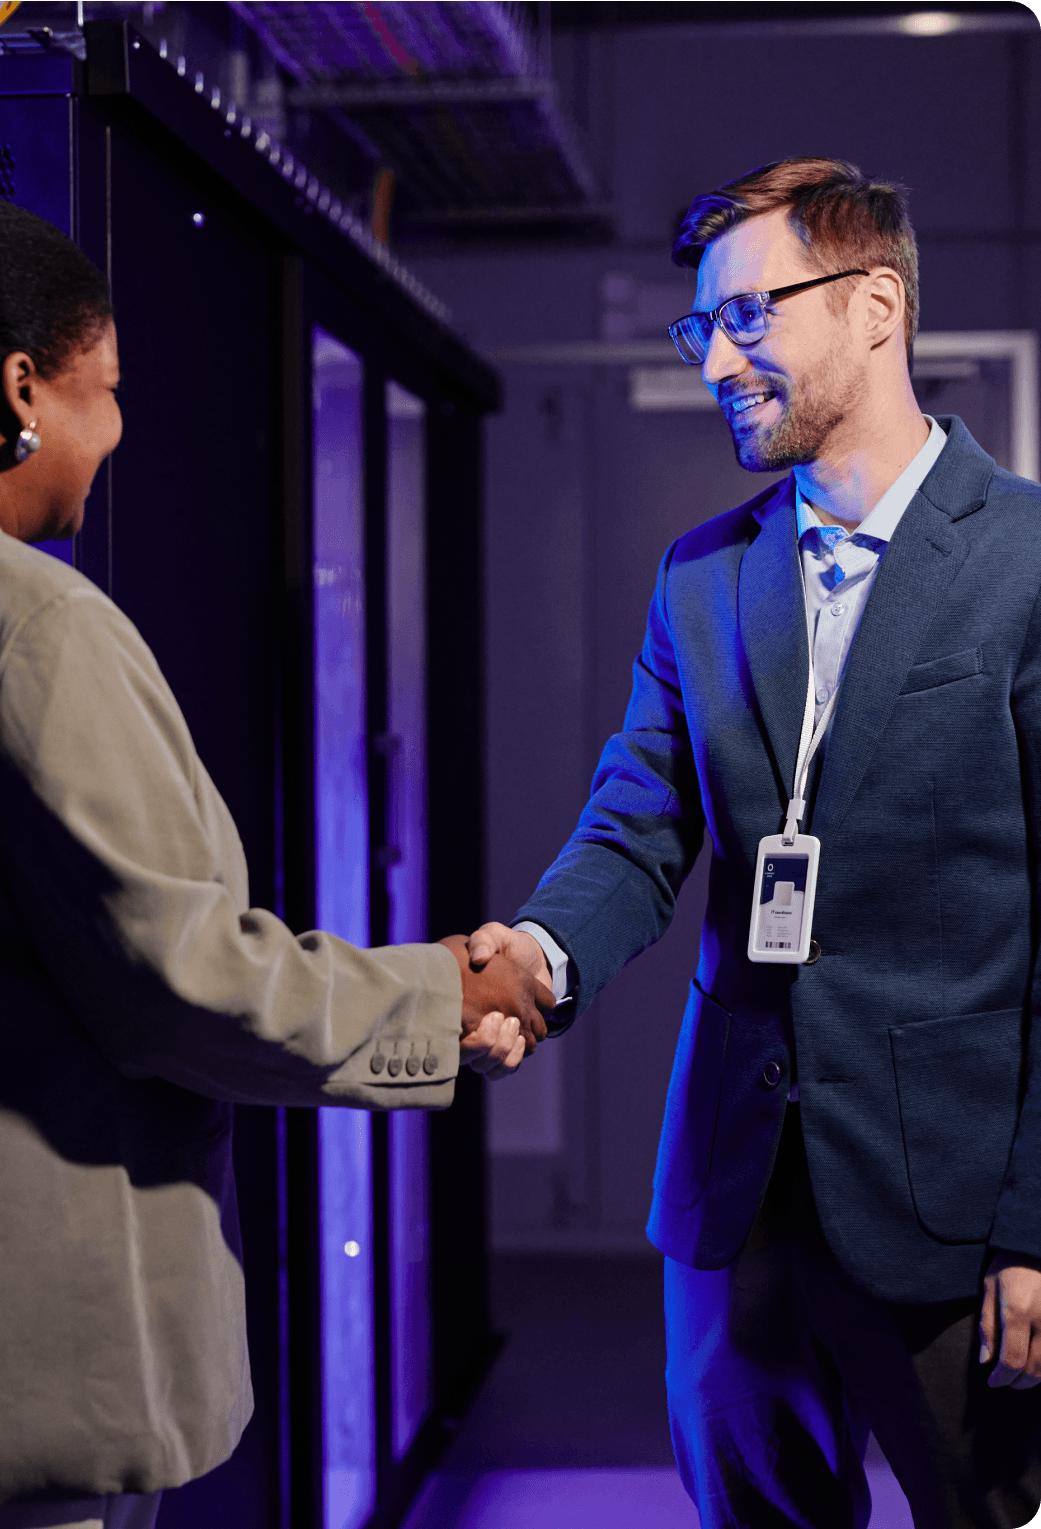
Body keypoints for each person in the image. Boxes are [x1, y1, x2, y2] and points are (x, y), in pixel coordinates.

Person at [0, 193, 553, 1529]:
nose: (120, 433)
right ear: (19, 388)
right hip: (23, 1357)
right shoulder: (32, 624)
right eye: (108, 390)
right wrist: (446, 992)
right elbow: (178, 982)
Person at [469, 157, 1041, 1528]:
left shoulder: (1024, 561)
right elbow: (635, 820)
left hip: (953, 1201)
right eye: (698, 327)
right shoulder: (699, 575)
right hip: (734, 1191)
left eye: (745, 317)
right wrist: (537, 958)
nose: (715, 358)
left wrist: (1033, 1221)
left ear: (874, 305)